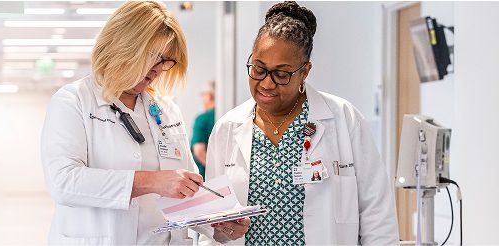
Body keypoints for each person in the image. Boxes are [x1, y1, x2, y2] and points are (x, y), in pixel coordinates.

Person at [201, 1, 398, 245]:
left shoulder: (344, 118)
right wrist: (219, 229)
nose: (266, 83)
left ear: (305, 71)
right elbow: (212, 223)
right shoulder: (227, 128)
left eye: (281, 74)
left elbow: (377, 214)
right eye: (259, 69)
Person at [40, 1, 203, 244]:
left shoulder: (167, 111)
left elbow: (186, 185)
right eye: (154, 57)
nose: (159, 69)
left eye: (167, 61)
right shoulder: (73, 102)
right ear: (124, 45)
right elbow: (63, 182)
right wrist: (152, 182)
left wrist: (216, 223)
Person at [190, 80, 216, 179]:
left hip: (206, 177)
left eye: (203, 94)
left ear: (209, 96)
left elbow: (199, 151)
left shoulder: (202, 118)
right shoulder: (227, 116)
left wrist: (216, 172)